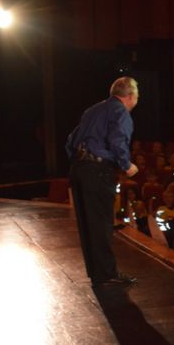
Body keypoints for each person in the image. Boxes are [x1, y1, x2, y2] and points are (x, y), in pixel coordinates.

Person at [66, 77, 140, 287]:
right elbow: (118, 140)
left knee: (88, 224)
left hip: (79, 169)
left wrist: (79, 163)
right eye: (137, 94)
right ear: (130, 96)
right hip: (98, 171)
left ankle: (98, 273)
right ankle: (107, 273)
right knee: (101, 223)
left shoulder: (93, 110)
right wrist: (126, 165)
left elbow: (71, 140)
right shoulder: (120, 112)